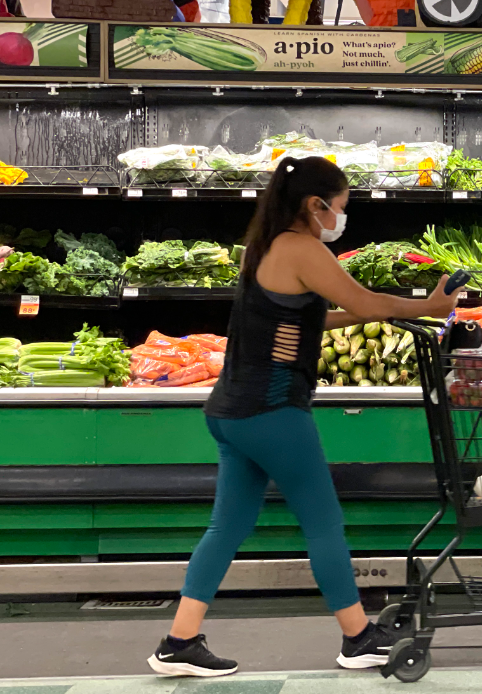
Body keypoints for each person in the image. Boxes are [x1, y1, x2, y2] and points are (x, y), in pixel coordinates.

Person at [147, 156, 463, 678]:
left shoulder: (268, 246)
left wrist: (406, 309)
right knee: (323, 523)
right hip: (271, 412)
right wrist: (427, 307)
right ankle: (358, 637)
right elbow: (361, 299)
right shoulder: (302, 248)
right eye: (339, 207)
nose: (342, 217)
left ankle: (178, 642)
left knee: (227, 526)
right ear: (315, 206)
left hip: (231, 410)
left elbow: (322, 315)